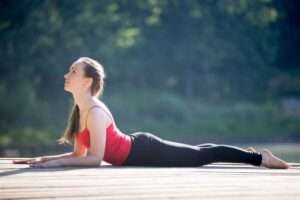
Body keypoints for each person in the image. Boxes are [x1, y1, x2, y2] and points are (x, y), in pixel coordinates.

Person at [12, 57, 290, 169]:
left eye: (73, 71)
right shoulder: (80, 109)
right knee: (198, 151)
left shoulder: (94, 113)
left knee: (202, 157)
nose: (66, 74)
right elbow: (78, 155)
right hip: (139, 149)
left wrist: (53, 165)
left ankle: (259, 157)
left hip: (145, 150)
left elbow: (96, 159)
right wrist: (44, 158)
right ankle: (250, 154)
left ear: (86, 81)